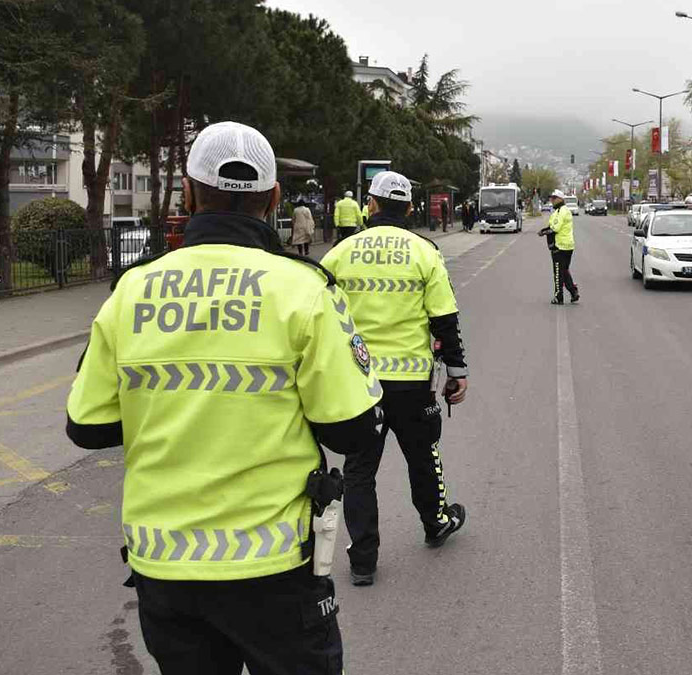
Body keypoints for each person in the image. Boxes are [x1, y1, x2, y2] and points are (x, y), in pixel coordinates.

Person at [66, 121, 383, 674]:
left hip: (164, 566)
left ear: (188, 194)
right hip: (273, 565)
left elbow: (87, 427)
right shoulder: (303, 288)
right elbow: (352, 431)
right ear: (274, 197)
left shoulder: (133, 289)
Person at [320, 170, 469, 587]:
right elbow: (444, 317)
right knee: (423, 456)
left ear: (369, 205)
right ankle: (436, 523)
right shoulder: (425, 251)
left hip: (360, 382)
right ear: (408, 208)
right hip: (411, 381)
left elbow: (319, 314)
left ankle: (363, 560)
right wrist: (456, 371)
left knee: (359, 470)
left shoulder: (340, 252)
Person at [537, 189, 579, 305]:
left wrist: (543, 232)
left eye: (554, 198)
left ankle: (558, 297)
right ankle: (573, 292)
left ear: (560, 199)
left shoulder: (561, 211)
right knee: (564, 271)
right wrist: (545, 230)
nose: (552, 200)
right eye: (551, 198)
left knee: (557, 273)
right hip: (568, 246)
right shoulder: (562, 210)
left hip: (559, 247)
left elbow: (555, 228)